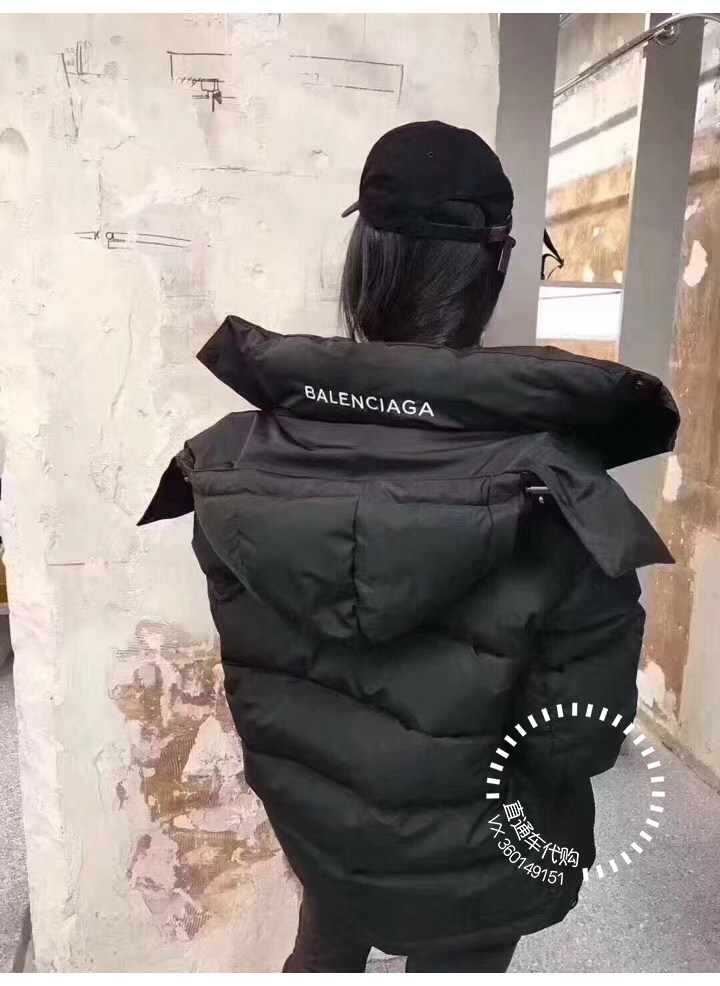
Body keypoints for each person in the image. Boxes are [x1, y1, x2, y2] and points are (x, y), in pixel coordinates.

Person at [139, 121, 679, 972]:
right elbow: (578, 744)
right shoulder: (563, 498)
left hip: (322, 835)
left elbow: (265, 679)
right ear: (494, 265)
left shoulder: (230, 459)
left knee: (322, 954)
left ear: (364, 260)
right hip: (480, 867)